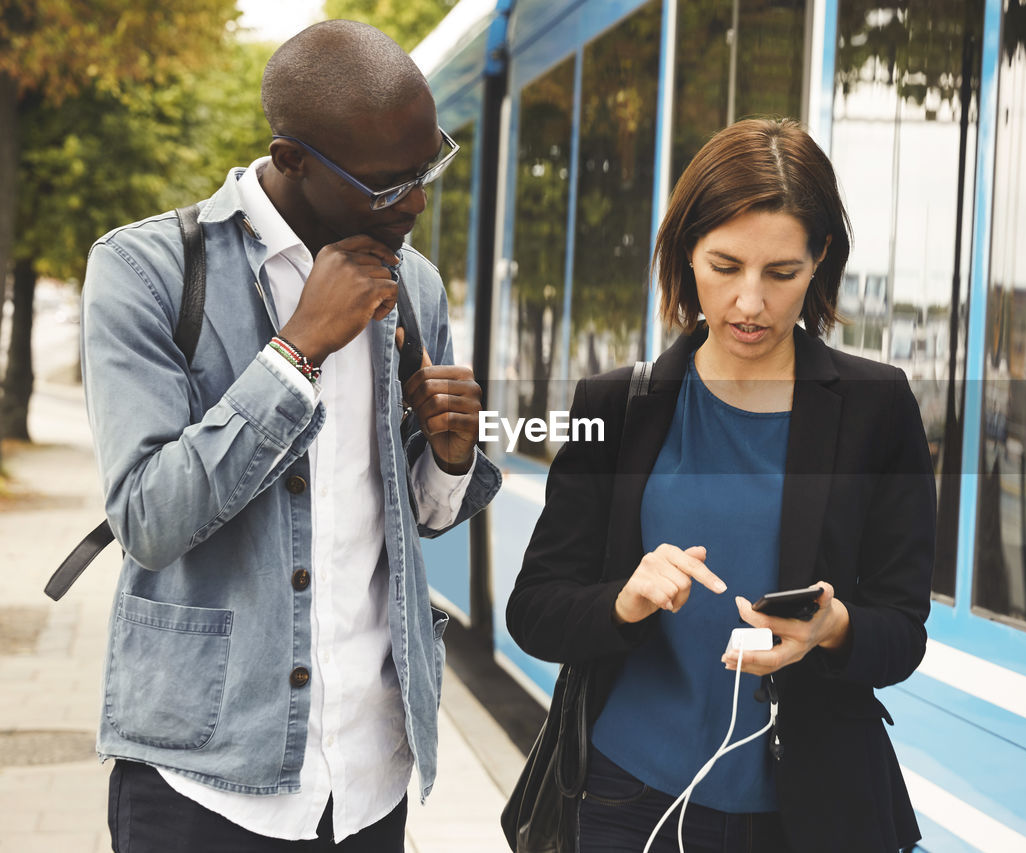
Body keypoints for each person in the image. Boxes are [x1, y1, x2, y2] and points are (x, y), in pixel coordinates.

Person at [81, 20, 500, 852]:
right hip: (204, 781)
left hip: (369, 778)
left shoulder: (413, 281)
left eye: (427, 171)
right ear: (293, 159)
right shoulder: (147, 271)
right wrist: (296, 351)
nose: (415, 202)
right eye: (388, 184)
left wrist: (449, 456)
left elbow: (416, 517)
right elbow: (150, 518)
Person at [506, 118, 935, 852]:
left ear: (820, 258)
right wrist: (624, 598)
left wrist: (833, 629)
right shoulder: (616, 406)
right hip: (626, 801)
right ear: (685, 253)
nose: (748, 304)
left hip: (816, 813)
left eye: (782, 273)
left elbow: (902, 630)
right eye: (724, 265)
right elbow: (535, 611)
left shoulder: (878, 407)